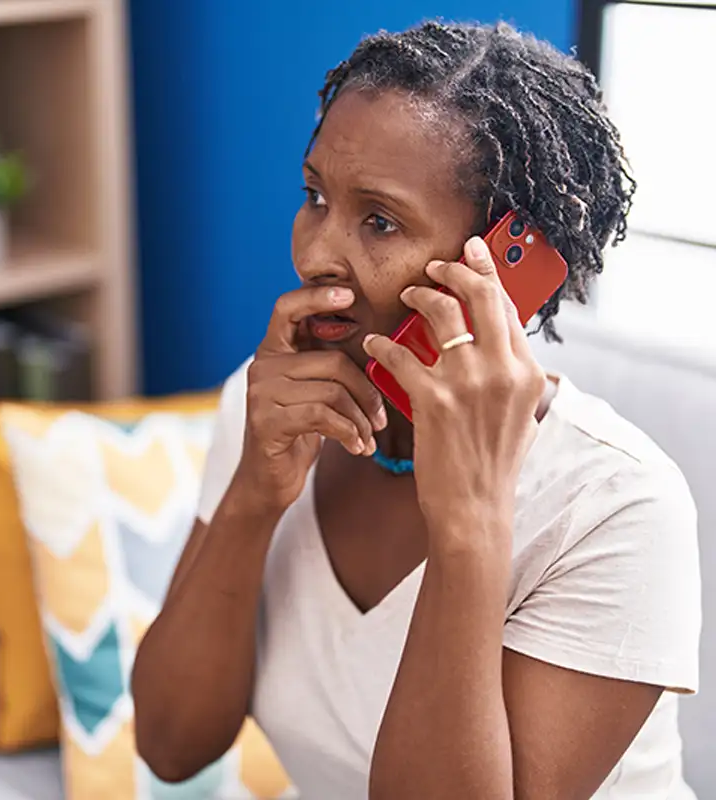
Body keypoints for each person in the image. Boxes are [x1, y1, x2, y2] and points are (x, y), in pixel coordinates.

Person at [132, 20, 701, 800]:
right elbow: (169, 744)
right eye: (315, 196)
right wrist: (252, 497)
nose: (313, 254)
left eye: (379, 220)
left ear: (506, 263)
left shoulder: (616, 505)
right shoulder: (272, 407)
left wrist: (470, 527)